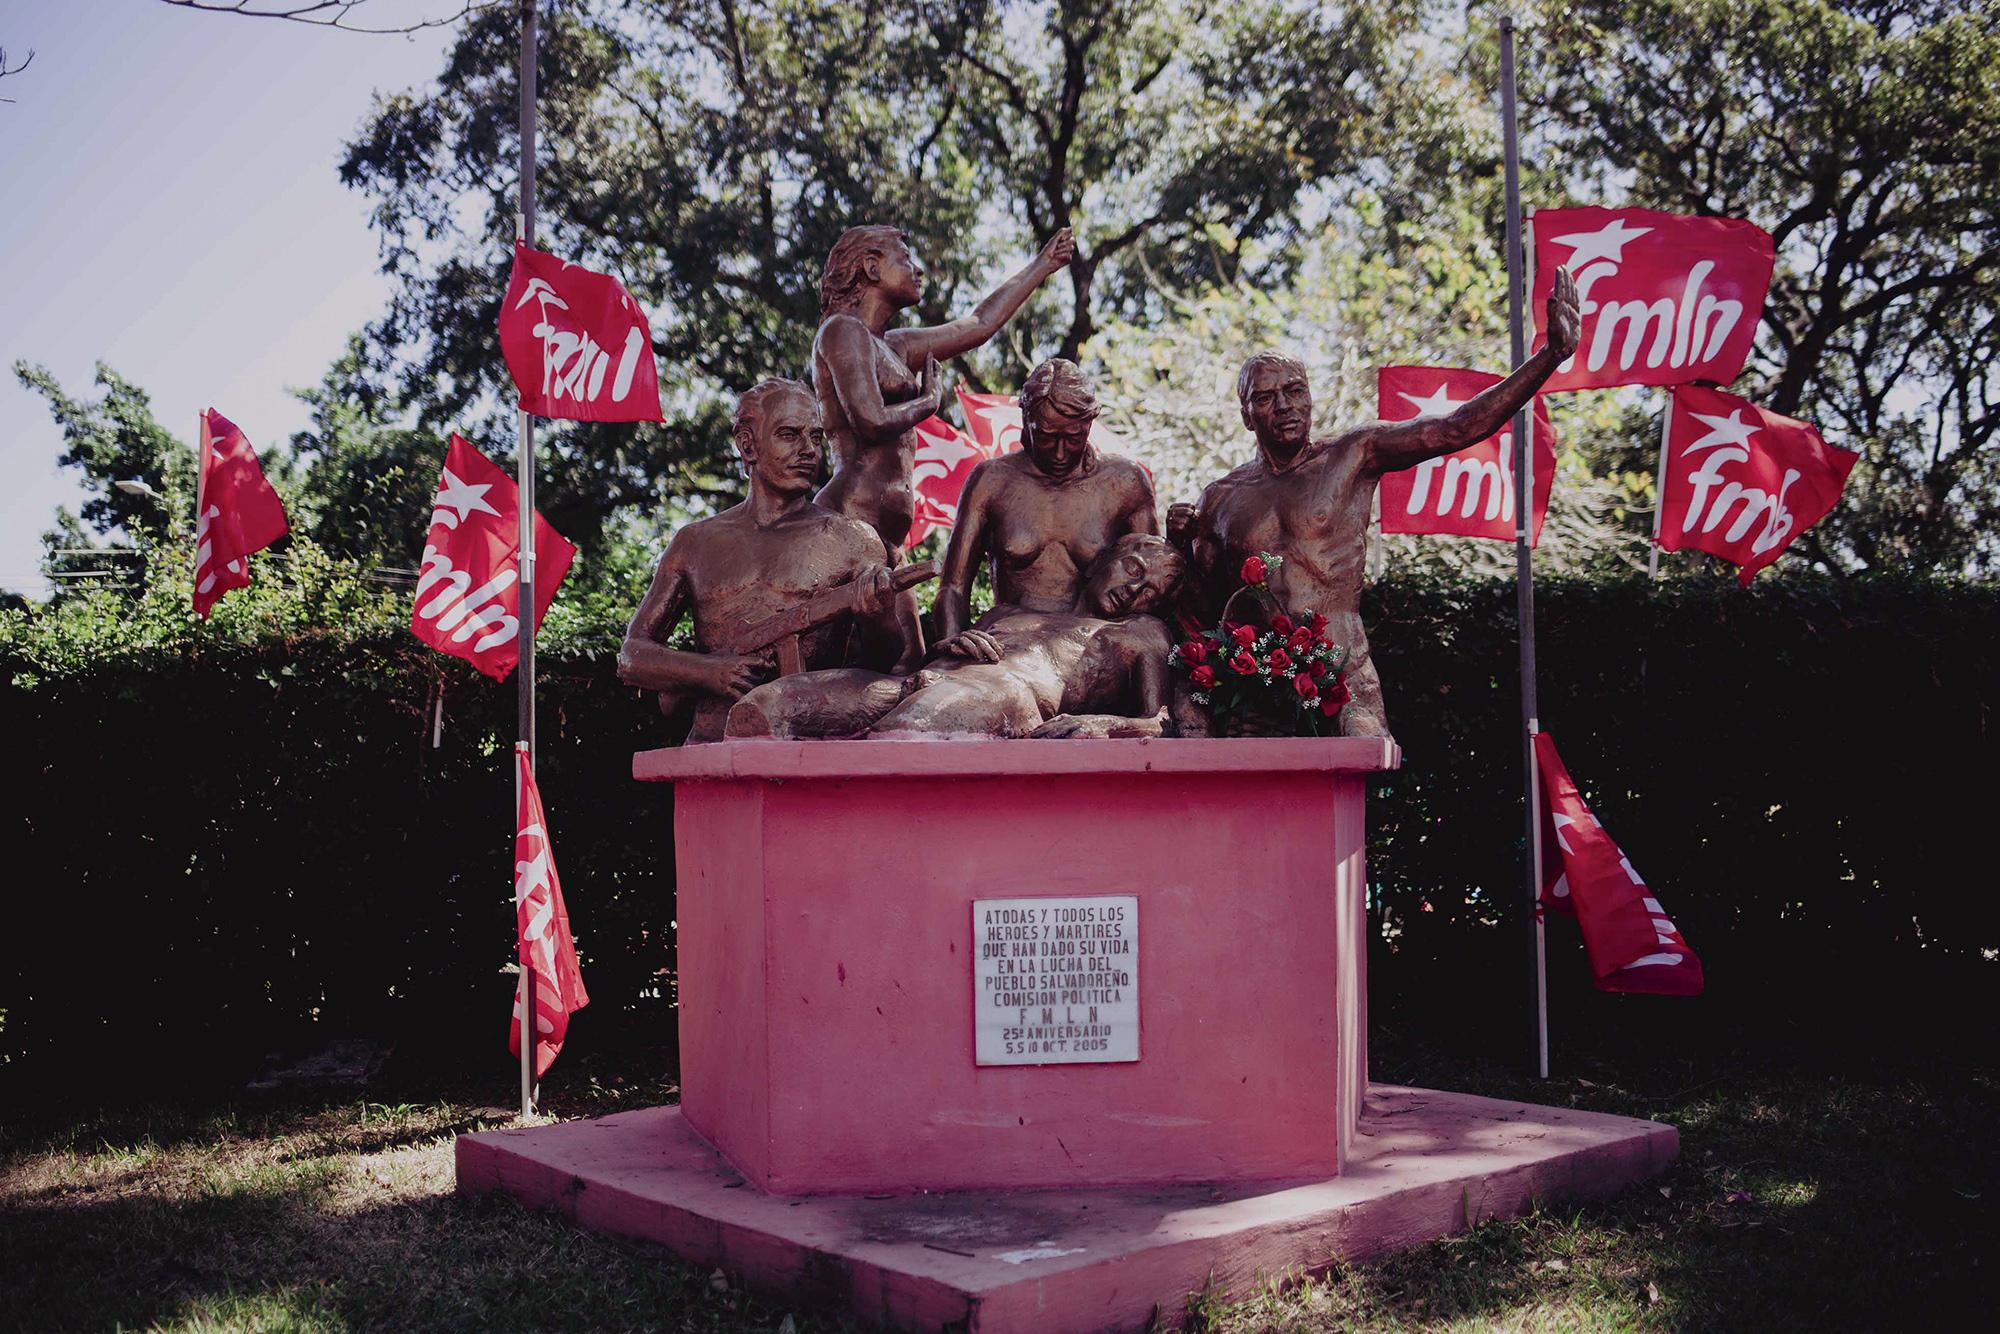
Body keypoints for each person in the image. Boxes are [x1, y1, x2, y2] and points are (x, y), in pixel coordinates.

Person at [1169, 268, 1583, 737]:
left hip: (1340, 663)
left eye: (1294, 391)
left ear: (1310, 398)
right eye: (1265, 398)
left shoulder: (1354, 452)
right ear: (1246, 415)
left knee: (1361, 758)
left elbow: (1457, 427)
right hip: (1255, 679)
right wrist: (1178, 545)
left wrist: (1549, 356)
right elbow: (1202, 608)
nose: (1284, 406)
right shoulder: (1221, 498)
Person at [617, 379, 915, 743]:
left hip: (811, 741)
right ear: (747, 445)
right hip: (711, 742)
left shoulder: (852, 539)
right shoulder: (695, 542)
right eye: (790, 434)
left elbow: (883, 662)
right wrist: (709, 673)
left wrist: (878, 618)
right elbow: (632, 656)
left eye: (816, 438)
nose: (809, 451)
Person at [726, 534, 1186, 740]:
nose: (1132, 590)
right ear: (1104, 557)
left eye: (1150, 592)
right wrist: (952, 642)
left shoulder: (1142, 633)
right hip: (921, 682)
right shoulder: (1010, 612)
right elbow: (929, 657)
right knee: (763, 711)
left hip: (1005, 694)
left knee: (902, 739)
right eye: (1133, 569)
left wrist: (1099, 724)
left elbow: (1163, 722)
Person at [812, 224, 1074, 551]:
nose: (918, 269)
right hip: (850, 518)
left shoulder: (897, 346)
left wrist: (1044, 263)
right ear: (872, 267)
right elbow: (871, 420)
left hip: (888, 534)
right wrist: (927, 401)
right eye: (905, 258)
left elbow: (979, 325)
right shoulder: (843, 330)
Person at [931, 358, 1158, 660]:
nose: (1061, 452)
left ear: (1089, 426)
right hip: (1008, 642)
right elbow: (954, 587)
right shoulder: (992, 481)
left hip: (1091, 650)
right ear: (1026, 421)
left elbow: (1155, 590)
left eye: (1073, 439)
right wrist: (953, 641)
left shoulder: (1125, 482)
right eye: (1047, 437)